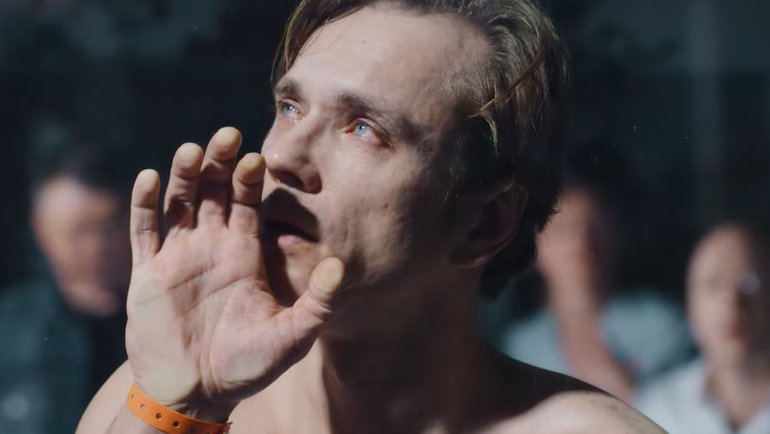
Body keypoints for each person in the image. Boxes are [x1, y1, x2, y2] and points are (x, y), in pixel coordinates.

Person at [78, 1, 664, 433]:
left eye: (364, 128)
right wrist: (184, 410)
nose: (280, 157)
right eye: (290, 107)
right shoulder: (156, 400)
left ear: (483, 223)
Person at [483, 155, 693, 402]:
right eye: (563, 231)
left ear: (617, 236)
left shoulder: (661, 324)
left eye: (595, 228)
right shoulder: (519, 346)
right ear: (533, 249)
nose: (581, 245)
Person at [0, 147, 132, 434]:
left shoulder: (164, 322)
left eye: (109, 226)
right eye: (79, 231)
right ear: (40, 231)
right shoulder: (8, 327)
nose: (97, 247)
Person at [636, 222, 770, 434]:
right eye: (713, 284)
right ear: (690, 306)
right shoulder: (658, 410)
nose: (732, 303)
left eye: (750, 282)